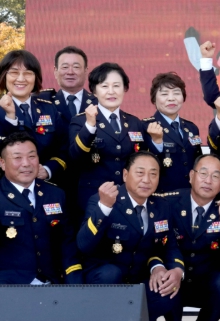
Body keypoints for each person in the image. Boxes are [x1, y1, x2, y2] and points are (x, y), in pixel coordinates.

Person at [77, 151, 184, 321]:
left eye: (153, 174)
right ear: (125, 175)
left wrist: (176, 270)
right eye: (140, 173)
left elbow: (170, 246)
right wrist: (104, 208)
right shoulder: (103, 199)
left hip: (138, 278)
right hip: (105, 279)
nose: (146, 180)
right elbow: (83, 245)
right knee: (111, 274)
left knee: (167, 290)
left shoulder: (162, 206)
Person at [69, 63, 163, 209]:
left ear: (125, 89)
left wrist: (157, 142)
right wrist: (90, 126)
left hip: (129, 199)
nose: (111, 92)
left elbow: (145, 160)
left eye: (117, 86)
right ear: (94, 91)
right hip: (95, 198)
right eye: (104, 86)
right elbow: (75, 157)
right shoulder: (80, 121)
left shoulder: (134, 122)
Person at [160, 154, 220, 321]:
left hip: (207, 280)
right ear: (191, 176)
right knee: (162, 280)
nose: (208, 181)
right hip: (175, 276)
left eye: (215, 176)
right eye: (203, 173)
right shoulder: (168, 202)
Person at [0, 132, 82, 284]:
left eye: (32, 156)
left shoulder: (55, 194)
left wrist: (74, 286)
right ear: (2, 163)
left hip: (51, 285)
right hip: (9, 288)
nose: (26, 163)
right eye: (17, 158)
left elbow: (67, 245)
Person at [0, 50, 68, 185]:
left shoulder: (49, 108)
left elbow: (64, 149)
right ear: (4, 76)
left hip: (46, 187)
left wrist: (48, 169)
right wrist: (10, 118)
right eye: (14, 73)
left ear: (36, 78)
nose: (21, 79)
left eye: (28, 73)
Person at [143, 73, 203, 192]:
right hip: (161, 196)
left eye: (176, 93)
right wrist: (157, 143)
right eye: (164, 94)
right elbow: (142, 164)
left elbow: (198, 162)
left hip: (190, 195)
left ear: (183, 97)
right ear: (154, 99)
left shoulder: (191, 128)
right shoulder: (145, 127)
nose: (171, 98)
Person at [37, 46, 98, 123]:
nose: (70, 72)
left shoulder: (98, 102)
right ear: (55, 71)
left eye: (76, 67)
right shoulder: (43, 101)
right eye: (65, 67)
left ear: (86, 72)